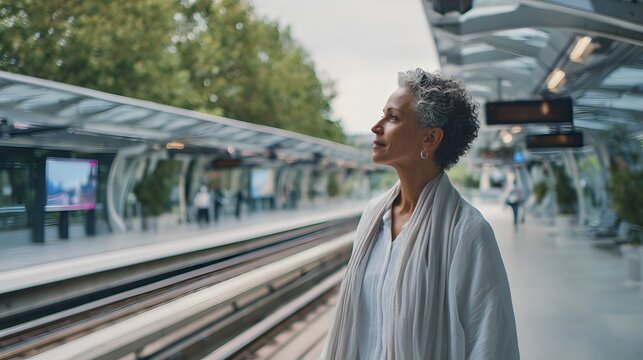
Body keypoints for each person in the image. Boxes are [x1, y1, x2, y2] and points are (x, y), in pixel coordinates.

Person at [322, 69, 519, 359]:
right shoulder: (373, 218)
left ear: (430, 138)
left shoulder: (467, 231)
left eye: (392, 117)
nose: (376, 127)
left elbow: (490, 342)